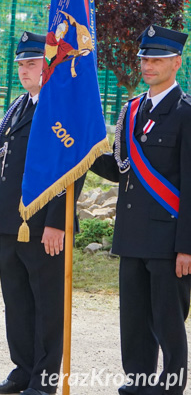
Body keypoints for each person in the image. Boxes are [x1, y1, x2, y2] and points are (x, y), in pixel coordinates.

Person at [90, 25, 191, 395]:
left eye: (156, 59)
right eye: (144, 59)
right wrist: (82, 156)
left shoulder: (186, 114)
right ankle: (139, 378)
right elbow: (121, 169)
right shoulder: (132, 111)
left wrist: (187, 246)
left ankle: (170, 385)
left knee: (168, 319)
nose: (147, 65)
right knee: (133, 318)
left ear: (176, 63)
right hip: (132, 233)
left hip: (167, 238)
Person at [0, 31, 83, 395]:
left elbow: (71, 169)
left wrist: (58, 221)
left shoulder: (61, 110)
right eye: (21, 65)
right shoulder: (18, 107)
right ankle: (22, 370)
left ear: (49, 65)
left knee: (47, 304)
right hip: (12, 223)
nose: (25, 71)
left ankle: (45, 378)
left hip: (43, 227)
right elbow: (1, 163)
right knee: (17, 302)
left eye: (32, 63)